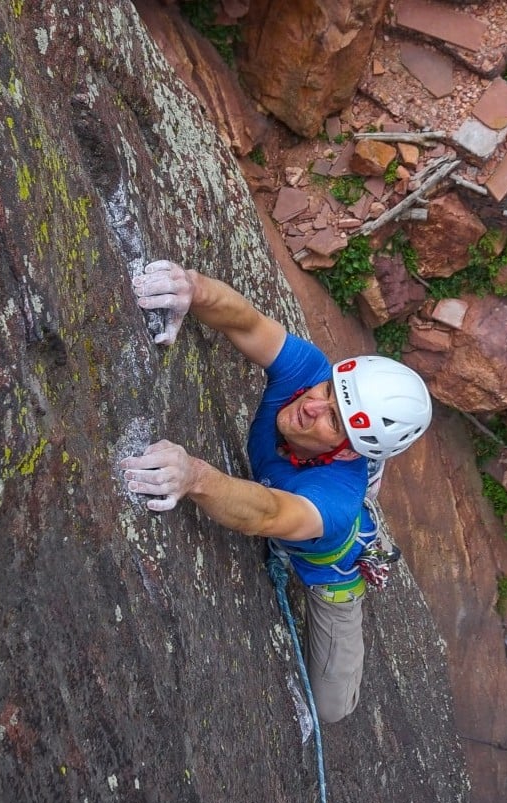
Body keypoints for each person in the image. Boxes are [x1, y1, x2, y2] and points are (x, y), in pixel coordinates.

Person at [120, 260, 432, 723]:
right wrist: (194, 287)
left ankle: (365, 525)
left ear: (350, 453)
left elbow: (266, 516)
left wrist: (194, 476)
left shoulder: (332, 503)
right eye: (329, 391)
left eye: (333, 419)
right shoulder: (307, 376)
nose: (311, 406)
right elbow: (245, 321)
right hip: (304, 493)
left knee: (330, 709)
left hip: (328, 568)